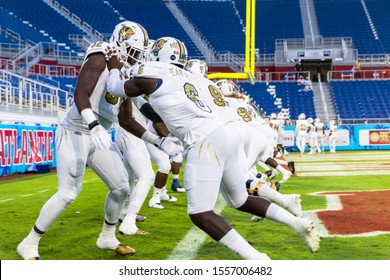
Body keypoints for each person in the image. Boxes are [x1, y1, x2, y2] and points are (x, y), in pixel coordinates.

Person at [105, 37, 320, 259]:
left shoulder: (154, 71)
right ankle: (297, 223)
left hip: (203, 140)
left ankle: (256, 259)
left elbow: (114, 87)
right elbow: (161, 110)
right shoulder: (197, 79)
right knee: (240, 200)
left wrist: (114, 66)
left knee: (200, 212)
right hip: (226, 134)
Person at [16, 21, 182, 260]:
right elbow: (80, 94)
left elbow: (126, 119)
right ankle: (29, 243)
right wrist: (94, 125)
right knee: (68, 192)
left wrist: (158, 141)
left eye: (139, 55)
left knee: (122, 187)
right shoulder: (101, 55)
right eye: (133, 53)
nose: (135, 59)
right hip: (75, 129)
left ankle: (107, 236)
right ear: (120, 43)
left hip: (99, 135)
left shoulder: (122, 72)